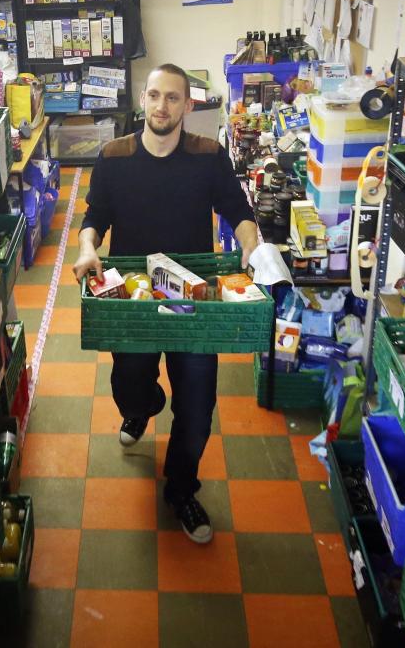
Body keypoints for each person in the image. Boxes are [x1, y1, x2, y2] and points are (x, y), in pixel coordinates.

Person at [73, 64, 259, 544]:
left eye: (172, 98)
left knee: (197, 406)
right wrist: (87, 248)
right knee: (129, 385)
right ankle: (143, 407)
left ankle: (181, 489)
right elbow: (96, 215)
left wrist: (255, 250)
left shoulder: (208, 157)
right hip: (133, 296)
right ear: (143, 100)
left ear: (188, 106)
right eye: (154, 96)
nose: (161, 106)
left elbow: (237, 211)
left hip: (193, 298)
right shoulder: (114, 157)